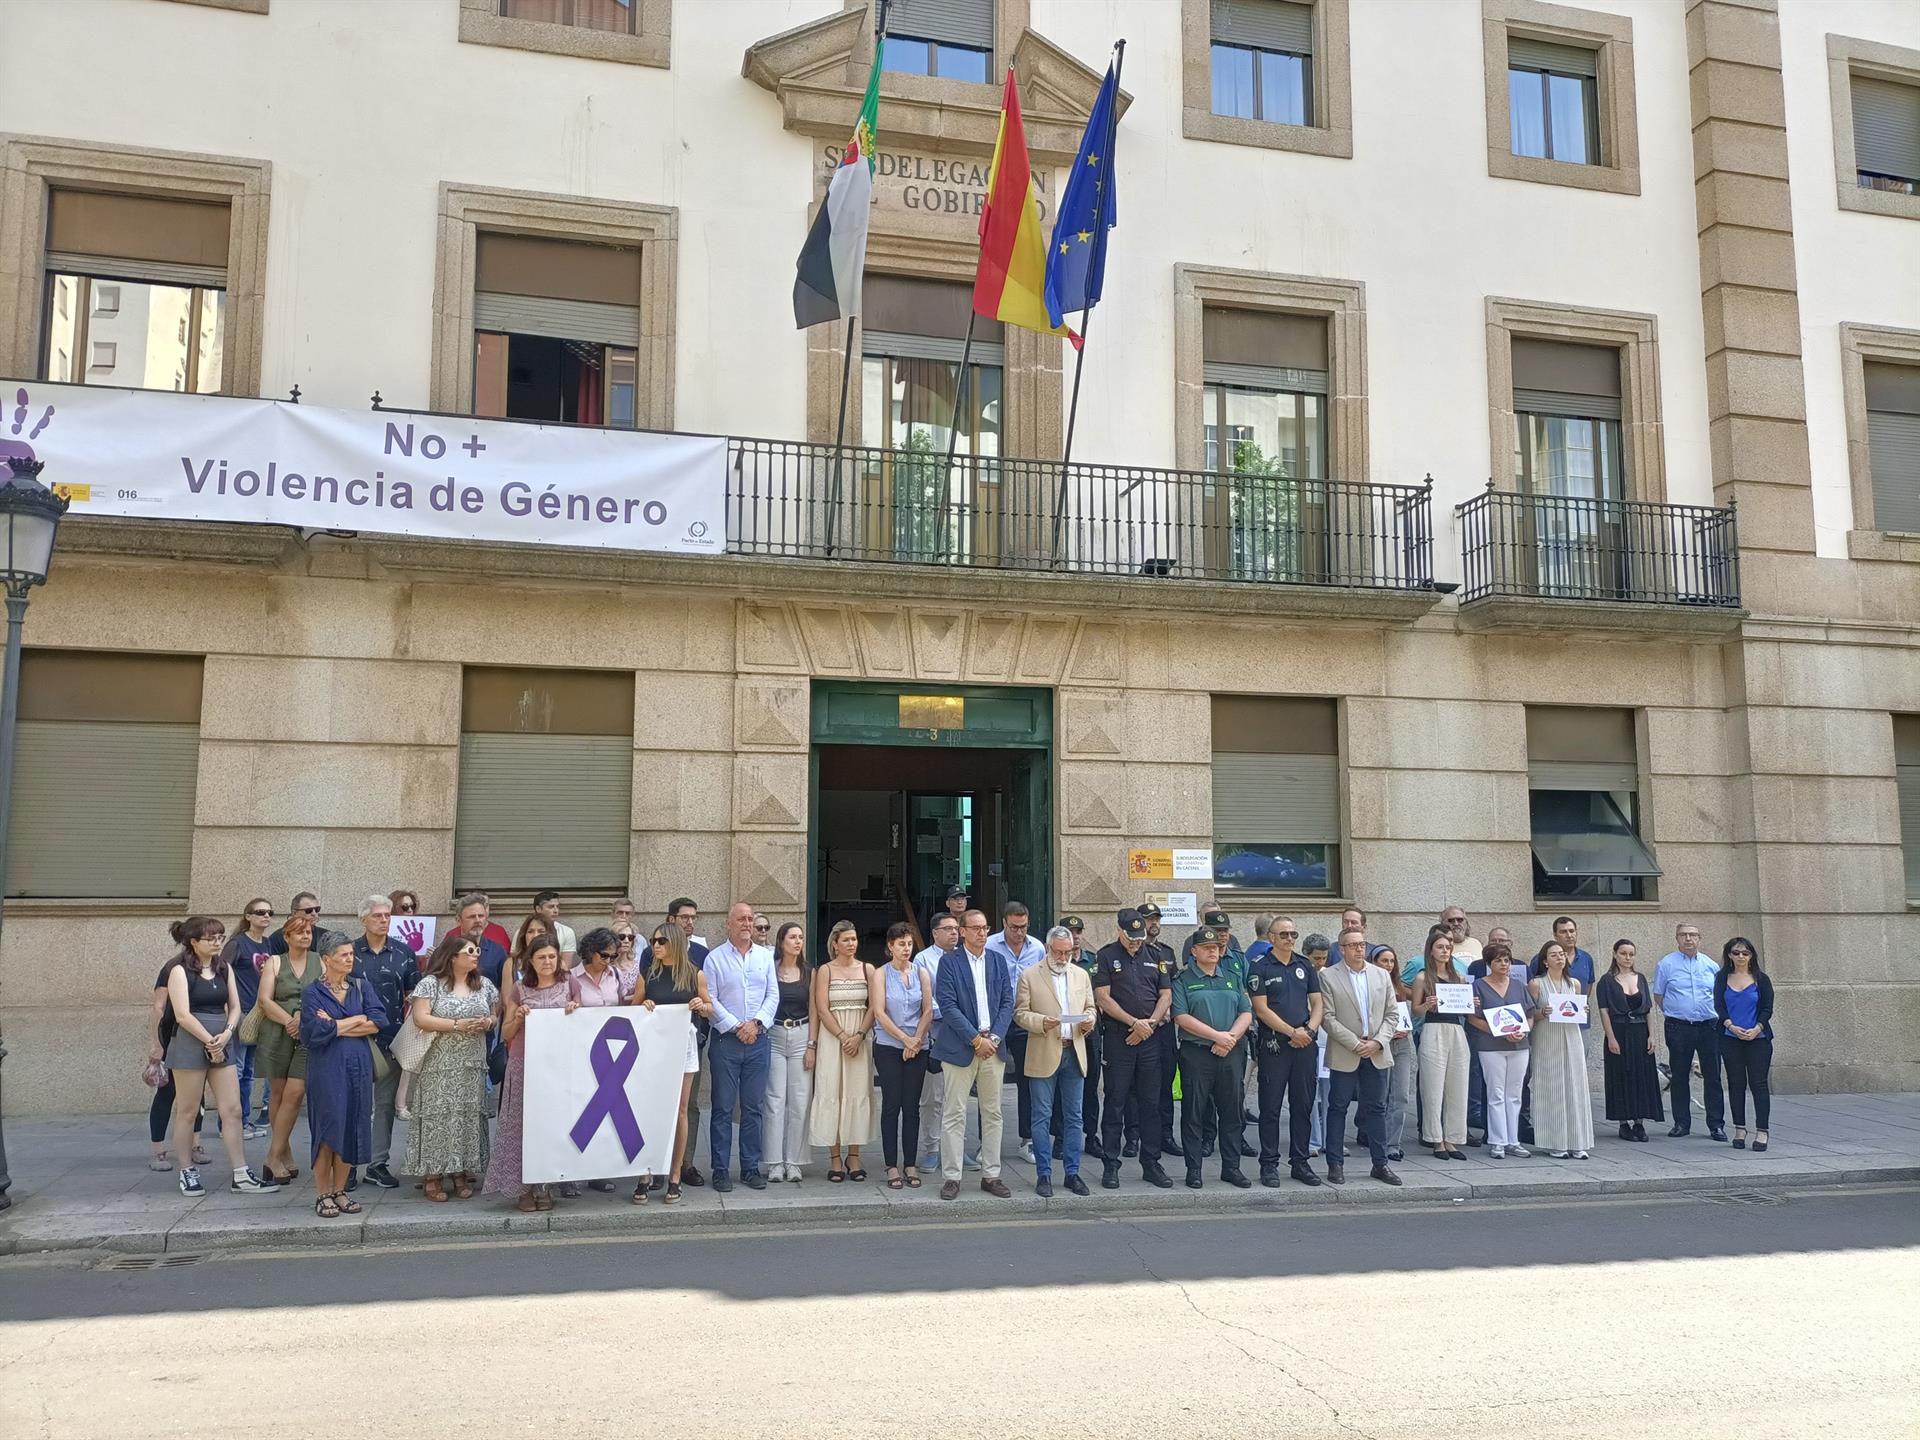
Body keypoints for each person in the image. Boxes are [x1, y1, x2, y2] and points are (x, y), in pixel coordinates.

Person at [161, 918, 274, 1196]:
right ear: (193, 941)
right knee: (188, 1110)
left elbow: (235, 1006)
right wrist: (209, 1040)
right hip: (191, 1041)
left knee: (232, 1108)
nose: (217, 943)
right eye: (210, 938)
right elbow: (182, 1014)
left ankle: (241, 1172)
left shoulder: (224, 968)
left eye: (220, 937)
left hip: (222, 1038)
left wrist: (226, 1033)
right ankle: (187, 1171)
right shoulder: (178, 970)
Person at [404, 932, 500, 1202]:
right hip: (440, 1063)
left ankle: (460, 1170)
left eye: (477, 951)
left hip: (472, 1062)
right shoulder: (430, 984)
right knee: (439, 1115)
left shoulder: (485, 985)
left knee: (467, 1115)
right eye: (470, 951)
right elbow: (421, 1019)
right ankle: (433, 1174)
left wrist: (488, 1023)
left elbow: (495, 1012)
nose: (475, 956)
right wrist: (457, 1025)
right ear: (453, 956)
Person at [484, 932, 575, 1212]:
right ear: (531, 962)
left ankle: (544, 1185)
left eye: (551, 956)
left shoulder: (570, 983)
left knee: (551, 1126)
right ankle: (521, 1189)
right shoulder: (520, 990)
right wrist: (518, 1017)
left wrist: (576, 1009)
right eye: (541, 957)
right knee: (521, 1126)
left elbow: (584, 1025)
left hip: (558, 1066)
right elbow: (506, 1033)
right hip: (524, 1063)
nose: (547, 961)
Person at [932, 909, 1015, 1200]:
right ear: (963, 931)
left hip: (993, 1047)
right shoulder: (949, 962)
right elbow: (947, 1005)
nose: (982, 933)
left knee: (992, 1113)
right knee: (954, 1113)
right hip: (959, 1048)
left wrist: (992, 1038)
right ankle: (952, 1177)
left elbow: (1008, 1002)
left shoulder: (997, 961)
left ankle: (991, 1174)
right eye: (975, 928)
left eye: (985, 927)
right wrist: (974, 1039)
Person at [300, 931, 384, 1218]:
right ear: (326, 959)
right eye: (344, 955)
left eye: (351, 954)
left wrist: (336, 1024)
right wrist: (353, 1020)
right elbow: (313, 1033)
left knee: (353, 1126)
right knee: (327, 1128)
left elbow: (377, 1021)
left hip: (358, 1066)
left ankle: (340, 1191)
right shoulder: (313, 992)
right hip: (326, 1068)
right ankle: (322, 1193)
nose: (351, 959)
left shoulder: (361, 986)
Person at [1092, 909, 1173, 1191]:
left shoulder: (1155, 956)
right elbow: (1103, 998)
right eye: (1131, 937)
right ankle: (1111, 1164)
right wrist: (1133, 1023)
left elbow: (1166, 995)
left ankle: (1151, 1163)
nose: (1136, 942)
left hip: (1150, 1038)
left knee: (1151, 1104)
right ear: (1120, 931)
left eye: (1139, 938)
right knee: (1116, 1102)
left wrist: (1148, 1024)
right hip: (1119, 1039)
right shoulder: (1106, 956)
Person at [1015, 926, 1096, 1197]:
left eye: (1069, 952)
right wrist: (1041, 1022)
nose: (1064, 957)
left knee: (1074, 1117)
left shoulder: (1081, 975)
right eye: (1058, 952)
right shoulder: (1030, 975)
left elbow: (1091, 1008)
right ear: (1048, 949)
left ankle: (1072, 1173)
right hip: (1044, 1050)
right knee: (1042, 1116)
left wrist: (1089, 1022)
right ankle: (1044, 1174)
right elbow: (1020, 1014)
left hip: (1074, 1051)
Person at [1171, 924, 1254, 1190]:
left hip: (1230, 1053)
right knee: (1194, 1112)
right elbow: (1181, 1017)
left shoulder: (1231, 976)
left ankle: (1232, 1168)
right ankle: (1194, 1169)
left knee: (1232, 1113)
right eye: (1206, 948)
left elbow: (1246, 1012)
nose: (1213, 951)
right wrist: (1217, 1037)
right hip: (1197, 1053)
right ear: (1194, 951)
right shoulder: (1183, 980)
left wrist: (1229, 1038)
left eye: (1216, 947)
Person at [634, 923, 711, 1204]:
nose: (656, 945)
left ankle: (675, 1174)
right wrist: (642, 1007)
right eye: (654, 940)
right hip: (654, 1046)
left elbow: (710, 1006)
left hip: (684, 1043)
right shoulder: (649, 974)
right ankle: (646, 1172)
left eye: (662, 941)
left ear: (675, 943)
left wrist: (700, 1006)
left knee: (680, 1109)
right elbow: (632, 1006)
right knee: (650, 1109)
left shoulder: (694, 974)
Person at [1320, 927, 1400, 1186]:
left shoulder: (1380, 975)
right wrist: (1356, 1044)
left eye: (1362, 944)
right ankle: (1335, 1163)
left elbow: (1392, 1015)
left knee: (1376, 1108)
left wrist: (1377, 1041)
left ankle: (1380, 1163)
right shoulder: (1329, 977)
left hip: (1376, 1050)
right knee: (1338, 1107)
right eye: (1352, 945)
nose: (1358, 949)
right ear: (1341, 949)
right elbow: (1327, 1018)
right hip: (1346, 1050)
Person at [705, 901, 776, 1193]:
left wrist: (756, 1023)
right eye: (741, 919)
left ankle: (750, 1167)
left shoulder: (765, 957)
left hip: (758, 1041)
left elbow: (773, 995)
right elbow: (710, 999)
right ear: (729, 924)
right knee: (721, 1108)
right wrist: (736, 1025)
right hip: (726, 1042)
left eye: (750, 919)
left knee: (753, 1108)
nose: (747, 924)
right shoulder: (714, 959)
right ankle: (720, 1170)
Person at [351, 894, 416, 1191]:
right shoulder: (349, 952)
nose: (383, 919)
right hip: (352, 1038)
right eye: (377, 915)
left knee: (386, 1104)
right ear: (364, 919)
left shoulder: (403, 952)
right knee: (354, 1103)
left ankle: (378, 1163)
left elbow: (414, 993)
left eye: (387, 915)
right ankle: (348, 1162)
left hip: (391, 1037)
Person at [1251, 916, 1322, 1187]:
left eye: (1293, 934)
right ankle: (1269, 1164)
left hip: (1305, 1044)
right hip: (1275, 1045)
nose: (1289, 939)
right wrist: (1292, 1033)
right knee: (1270, 1107)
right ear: (1271, 937)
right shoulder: (1260, 967)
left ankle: (1300, 1162)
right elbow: (1261, 1009)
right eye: (1283, 935)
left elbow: (1317, 1003)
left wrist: (1309, 1031)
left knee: (1303, 1105)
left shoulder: (1305, 965)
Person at [255, 912, 322, 1185]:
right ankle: (285, 1152)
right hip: (275, 1033)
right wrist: (288, 1021)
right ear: (287, 937)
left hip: (307, 1034)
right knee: (278, 1094)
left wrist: (301, 1019)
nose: (305, 936)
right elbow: (264, 1000)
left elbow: (326, 994)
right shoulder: (274, 962)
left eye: (308, 932)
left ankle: (272, 1155)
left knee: (295, 1093)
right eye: (299, 932)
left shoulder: (320, 962)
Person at [809, 919, 876, 1183]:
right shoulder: (824, 970)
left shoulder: (868, 969)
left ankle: (855, 1156)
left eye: (854, 939)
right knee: (832, 1092)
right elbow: (821, 1007)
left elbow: (875, 1005)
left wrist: (858, 1035)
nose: (851, 944)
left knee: (857, 1093)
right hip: (832, 1038)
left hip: (859, 1037)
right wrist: (841, 1036)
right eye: (846, 940)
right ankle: (835, 1158)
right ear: (835, 944)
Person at [565, 928, 631, 1193]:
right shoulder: (571, 977)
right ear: (590, 952)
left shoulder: (615, 974)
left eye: (613, 956)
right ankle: (568, 1175)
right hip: (580, 1052)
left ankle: (597, 1172)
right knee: (577, 1111)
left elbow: (625, 1003)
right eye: (604, 955)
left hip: (608, 1054)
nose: (609, 961)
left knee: (603, 1114)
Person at [871, 921, 934, 1190]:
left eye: (909, 944)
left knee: (912, 1106)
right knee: (891, 1105)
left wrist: (917, 1039)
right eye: (901, 944)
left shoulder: (921, 972)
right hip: (889, 1045)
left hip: (918, 1046)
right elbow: (879, 1012)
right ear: (890, 947)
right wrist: (904, 1038)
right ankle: (891, 1164)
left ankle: (910, 1162)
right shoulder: (880, 974)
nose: (906, 949)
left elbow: (928, 1010)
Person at [1653, 923, 1726, 1141]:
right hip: (1679, 1027)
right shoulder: (1666, 964)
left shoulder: (1711, 966)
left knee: (1712, 1076)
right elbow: (1659, 995)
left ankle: (1716, 1125)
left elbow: (1719, 994)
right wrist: (1676, 1012)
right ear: (1676, 938)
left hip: (1709, 1026)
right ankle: (1681, 1123)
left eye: (1693, 935)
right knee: (1680, 1076)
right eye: (1683, 935)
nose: (1688, 939)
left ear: (1699, 938)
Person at [985, 902, 1046, 1164]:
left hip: (1024, 1019)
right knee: (989, 1083)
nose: (1019, 932)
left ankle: (1027, 1139)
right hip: (996, 1018)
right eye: (1014, 927)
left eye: (1023, 927)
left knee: (1027, 1081)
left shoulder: (1038, 947)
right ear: (1004, 924)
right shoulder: (989, 945)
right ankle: (986, 1144)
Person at [1528, 941, 1594, 1159]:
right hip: (1547, 1037)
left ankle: (1578, 1141)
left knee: (1574, 1086)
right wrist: (1542, 1013)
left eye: (1562, 954)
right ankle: (1554, 1142)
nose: (1559, 958)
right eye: (1554, 955)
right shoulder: (1537, 984)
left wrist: (1583, 1009)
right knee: (1551, 1087)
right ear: (1545, 961)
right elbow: (1529, 1016)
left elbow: (1578, 1010)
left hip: (1571, 1037)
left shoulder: (1574, 983)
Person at [913, 913, 968, 1173]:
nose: (954, 933)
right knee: (932, 1098)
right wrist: (953, 1013)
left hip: (963, 1037)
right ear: (935, 933)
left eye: (956, 928)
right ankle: (932, 1148)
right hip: (936, 1034)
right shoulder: (923, 959)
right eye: (947, 929)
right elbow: (925, 999)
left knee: (958, 1097)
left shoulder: (966, 956)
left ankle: (958, 1148)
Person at [1410, 929, 1471, 1160]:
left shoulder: (1460, 978)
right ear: (1431, 950)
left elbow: (1465, 1010)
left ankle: (1452, 1138)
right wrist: (1427, 1004)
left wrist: (1471, 1003)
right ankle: (1435, 1139)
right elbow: (1415, 1010)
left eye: (1448, 947)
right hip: (1433, 1029)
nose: (1445, 951)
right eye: (1440, 947)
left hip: (1456, 1030)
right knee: (1433, 1087)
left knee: (1458, 1086)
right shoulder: (1423, 977)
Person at [1469, 942, 1532, 1158]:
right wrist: (1498, 1033)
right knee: (1496, 1093)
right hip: (1490, 1046)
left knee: (1514, 1094)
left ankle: (1513, 1140)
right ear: (1489, 963)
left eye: (1506, 960)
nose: (1503, 964)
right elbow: (1473, 1018)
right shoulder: (1478, 985)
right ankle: (1497, 1141)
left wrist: (1524, 1031)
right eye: (1498, 960)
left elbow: (1530, 1015)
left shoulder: (1518, 985)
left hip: (1519, 1045)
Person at [1595, 939, 1661, 1141]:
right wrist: (1611, 1038)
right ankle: (1623, 1122)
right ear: (1615, 954)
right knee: (1621, 1074)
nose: (1627, 958)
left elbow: (1649, 1010)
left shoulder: (1640, 978)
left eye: (1631, 954)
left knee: (1641, 1075)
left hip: (1640, 1031)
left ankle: (1639, 1122)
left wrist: (1652, 1035)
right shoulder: (1606, 981)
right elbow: (1604, 1012)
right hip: (1619, 1030)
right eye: (1623, 953)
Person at [763, 921, 814, 1183]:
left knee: (800, 1100)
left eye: (801, 937)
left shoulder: (808, 972)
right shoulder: (769, 970)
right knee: (774, 1100)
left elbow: (815, 1010)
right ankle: (773, 1162)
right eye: (792, 937)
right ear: (781, 941)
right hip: (774, 1035)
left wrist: (811, 1045)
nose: (797, 941)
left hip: (801, 1034)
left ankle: (794, 1161)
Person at [146, 962, 208, 1174]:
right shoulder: (173, 967)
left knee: (197, 1094)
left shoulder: (212, 966)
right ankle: (158, 1149)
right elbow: (158, 1007)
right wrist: (156, 1043)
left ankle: (195, 1143)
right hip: (172, 1034)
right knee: (167, 1091)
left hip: (200, 1035)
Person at [667, 895, 712, 1184]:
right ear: (671, 919)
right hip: (659, 1043)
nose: (690, 922)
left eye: (694, 917)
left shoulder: (701, 954)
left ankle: (686, 1163)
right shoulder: (654, 952)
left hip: (690, 1042)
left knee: (689, 1105)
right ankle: (658, 1166)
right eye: (685, 917)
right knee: (659, 1104)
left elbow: (710, 1001)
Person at [221, 897, 275, 1137]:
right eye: (260, 912)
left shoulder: (267, 944)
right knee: (238, 1069)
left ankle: (244, 1120)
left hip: (259, 1013)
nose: (266, 916)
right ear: (248, 916)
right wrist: (227, 1009)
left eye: (269, 912)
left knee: (250, 1071)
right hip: (240, 1011)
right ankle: (229, 1124)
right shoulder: (237, 943)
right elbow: (220, 974)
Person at [1715, 937, 1774, 1152]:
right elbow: (1719, 1006)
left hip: (1757, 1039)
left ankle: (1762, 1131)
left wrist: (1757, 1028)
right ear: (1729, 955)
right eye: (1736, 952)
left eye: (1745, 953)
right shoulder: (1721, 978)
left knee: (1758, 1084)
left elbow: (1767, 1008)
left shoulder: (1761, 979)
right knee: (1736, 1084)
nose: (1741, 956)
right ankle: (1740, 1129)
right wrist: (1731, 1026)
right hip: (1730, 1038)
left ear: (1751, 955)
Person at [1137, 901, 1182, 1160]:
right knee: (1135, 1086)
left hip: (1163, 1028)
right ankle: (1134, 1137)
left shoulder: (1167, 952)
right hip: (1138, 1026)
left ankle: (1165, 1135)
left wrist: (1166, 1013)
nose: (1153, 923)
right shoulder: (1129, 953)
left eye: (1156, 919)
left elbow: (1173, 988)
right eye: (1148, 919)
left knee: (1165, 1082)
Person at [1061, 915, 1104, 1163]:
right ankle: (1061, 1137)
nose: (1075, 936)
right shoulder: (1055, 961)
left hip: (1089, 1034)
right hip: (1064, 1032)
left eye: (1078, 931)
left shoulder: (1094, 961)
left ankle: (1090, 1135)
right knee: (1061, 1089)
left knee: (1090, 1087)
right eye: (1070, 931)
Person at [1367, 944, 1414, 1163]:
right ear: (1374, 962)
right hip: (1379, 1043)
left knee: (1401, 1095)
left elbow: (1406, 1015)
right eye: (1383, 960)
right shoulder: (1367, 984)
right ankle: (1378, 1139)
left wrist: (1404, 1028)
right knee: (1380, 1095)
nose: (1388, 965)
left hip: (1402, 1044)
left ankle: (1393, 1143)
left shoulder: (1400, 987)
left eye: (1391, 961)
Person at [1300, 933, 1333, 1157]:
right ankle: (1313, 1140)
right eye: (1316, 958)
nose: (1319, 963)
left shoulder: (1331, 976)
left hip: (1328, 1039)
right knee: (1310, 1094)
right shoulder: (1300, 974)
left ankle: (1331, 1140)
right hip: (1308, 1037)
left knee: (1330, 1095)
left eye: (1323, 958)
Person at [452, 894, 511, 988]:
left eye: (481, 916)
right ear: (459, 920)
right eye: (471, 917)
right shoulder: (446, 951)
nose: (478, 920)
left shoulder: (497, 951)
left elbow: (506, 989)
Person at [532, 889, 577, 965]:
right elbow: (516, 962)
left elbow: (566, 966)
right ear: (538, 909)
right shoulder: (524, 932)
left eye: (557, 906)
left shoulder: (567, 932)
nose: (556, 910)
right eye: (551, 907)